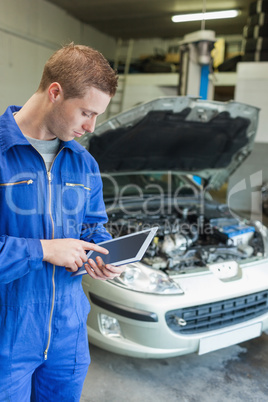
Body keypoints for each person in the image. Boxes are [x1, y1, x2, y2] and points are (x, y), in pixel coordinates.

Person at [0, 43, 124, 401]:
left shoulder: (84, 163)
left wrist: (102, 252)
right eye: (86, 112)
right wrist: (42, 250)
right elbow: (47, 250)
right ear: (55, 92)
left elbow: (92, 227)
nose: (91, 126)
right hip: (8, 335)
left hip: (67, 334)